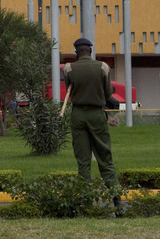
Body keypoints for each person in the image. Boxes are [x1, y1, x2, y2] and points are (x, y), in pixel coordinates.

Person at [64, 37, 121, 206]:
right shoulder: (103, 67)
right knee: (105, 158)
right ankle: (117, 201)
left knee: (83, 160)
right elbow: (108, 93)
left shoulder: (69, 68)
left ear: (77, 52)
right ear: (90, 50)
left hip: (78, 114)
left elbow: (70, 89)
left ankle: (86, 203)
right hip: (97, 114)